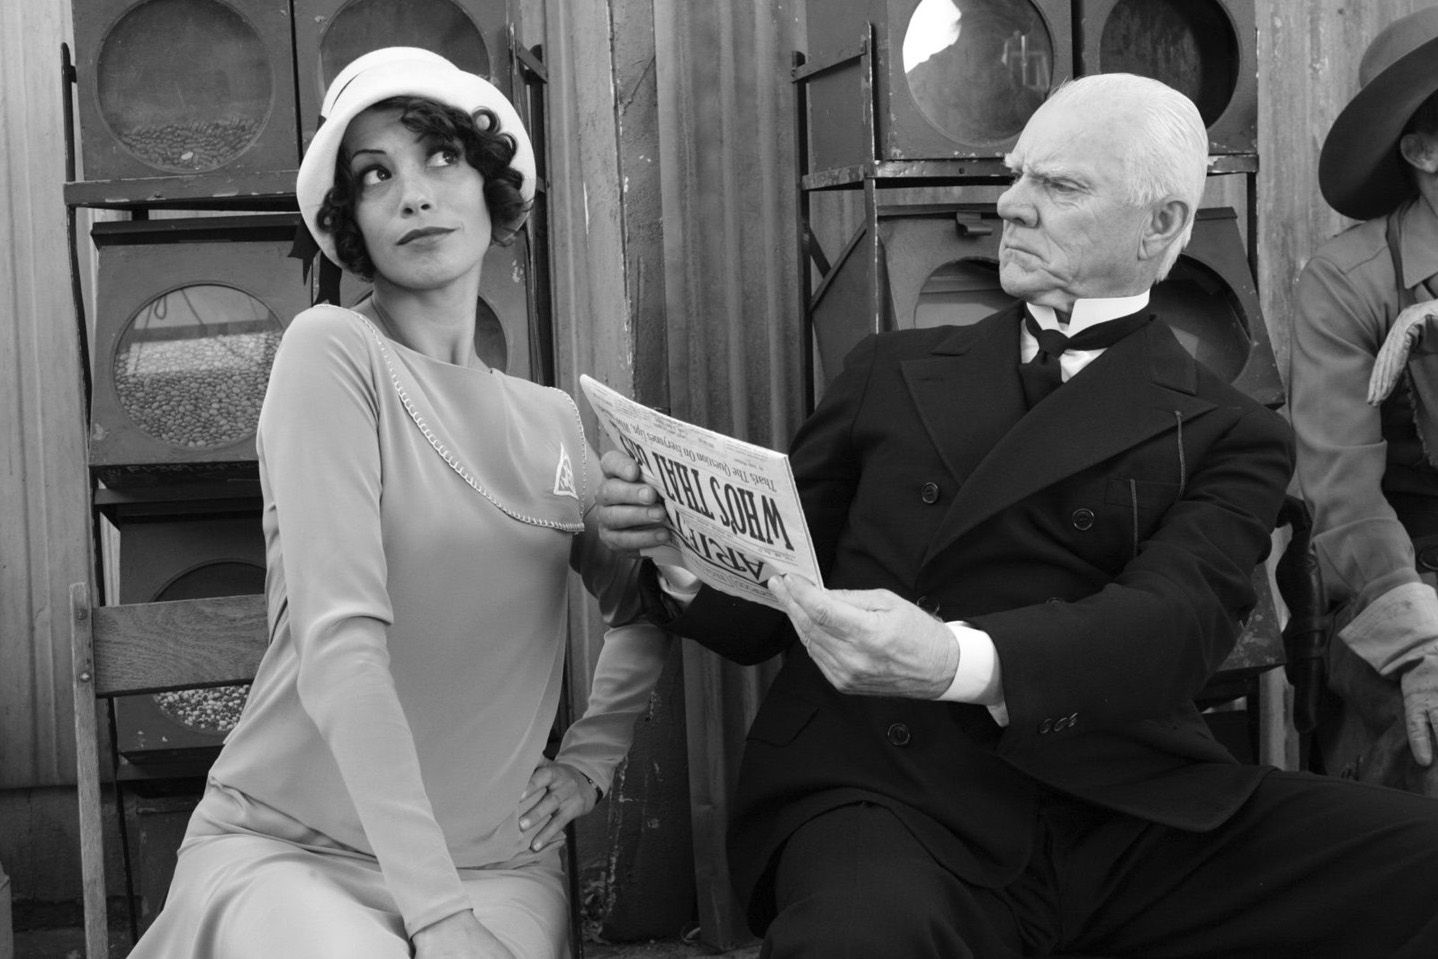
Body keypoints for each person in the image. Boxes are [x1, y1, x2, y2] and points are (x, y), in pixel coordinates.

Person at [598, 73, 1438, 957]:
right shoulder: (889, 370)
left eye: (1060, 185)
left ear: (1161, 226)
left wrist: (952, 659)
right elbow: (764, 613)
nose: (1011, 204)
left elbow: (1173, 624)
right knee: (860, 937)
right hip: (889, 791)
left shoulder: (1233, 429)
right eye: (1016, 175)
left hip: (1126, 807)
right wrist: (681, 551)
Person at [129, 47, 670, 959]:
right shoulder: (331, 354)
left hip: (498, 864)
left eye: (442, 158)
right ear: (352, 225)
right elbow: (341, 647)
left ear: (493, 188)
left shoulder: (551, 422)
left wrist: (590, 760)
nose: (414, 195)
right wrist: (439, 920)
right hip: (294, 847)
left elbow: (647, 606)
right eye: (375, 176)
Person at [1289, 6, 1438, 795]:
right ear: (1423, 150)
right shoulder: (1347, 282)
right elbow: (1342, 494)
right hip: (1406, 575)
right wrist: (1419, 643)